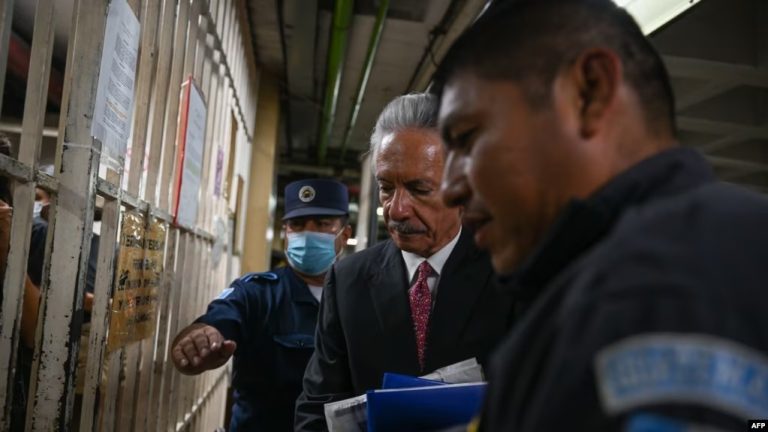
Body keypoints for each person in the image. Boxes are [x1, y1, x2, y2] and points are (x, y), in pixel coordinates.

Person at [434, 0, 768, 430]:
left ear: (589, 91)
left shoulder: (639, 299)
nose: (450, 188)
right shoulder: (728, 251)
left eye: (466, 139)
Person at [295, 93, 513, 430]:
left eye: (419, 189)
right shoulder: (348, 280)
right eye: (386, 187)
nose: (396, 210)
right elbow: (315, 410)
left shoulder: (511, 274)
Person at [171, 179, 351, 431]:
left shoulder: (360, 297)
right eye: (297, 225)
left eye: (322, 224)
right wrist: (196, 342)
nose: (308, 233)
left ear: (345, 234)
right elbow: (212, 324)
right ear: (285, 232)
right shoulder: (256, 293)